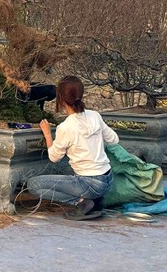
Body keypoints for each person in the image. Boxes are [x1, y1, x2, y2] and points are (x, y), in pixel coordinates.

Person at [27, 75, 120, 220]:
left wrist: (47, 134)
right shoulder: (95, 116)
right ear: (81, 94)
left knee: (33, 184)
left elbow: (54, 158)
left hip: (88, 183)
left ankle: (82, 202)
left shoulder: (65, 127)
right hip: (107, 180)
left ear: (60, 98)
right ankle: (95, 201)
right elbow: (114, 139)